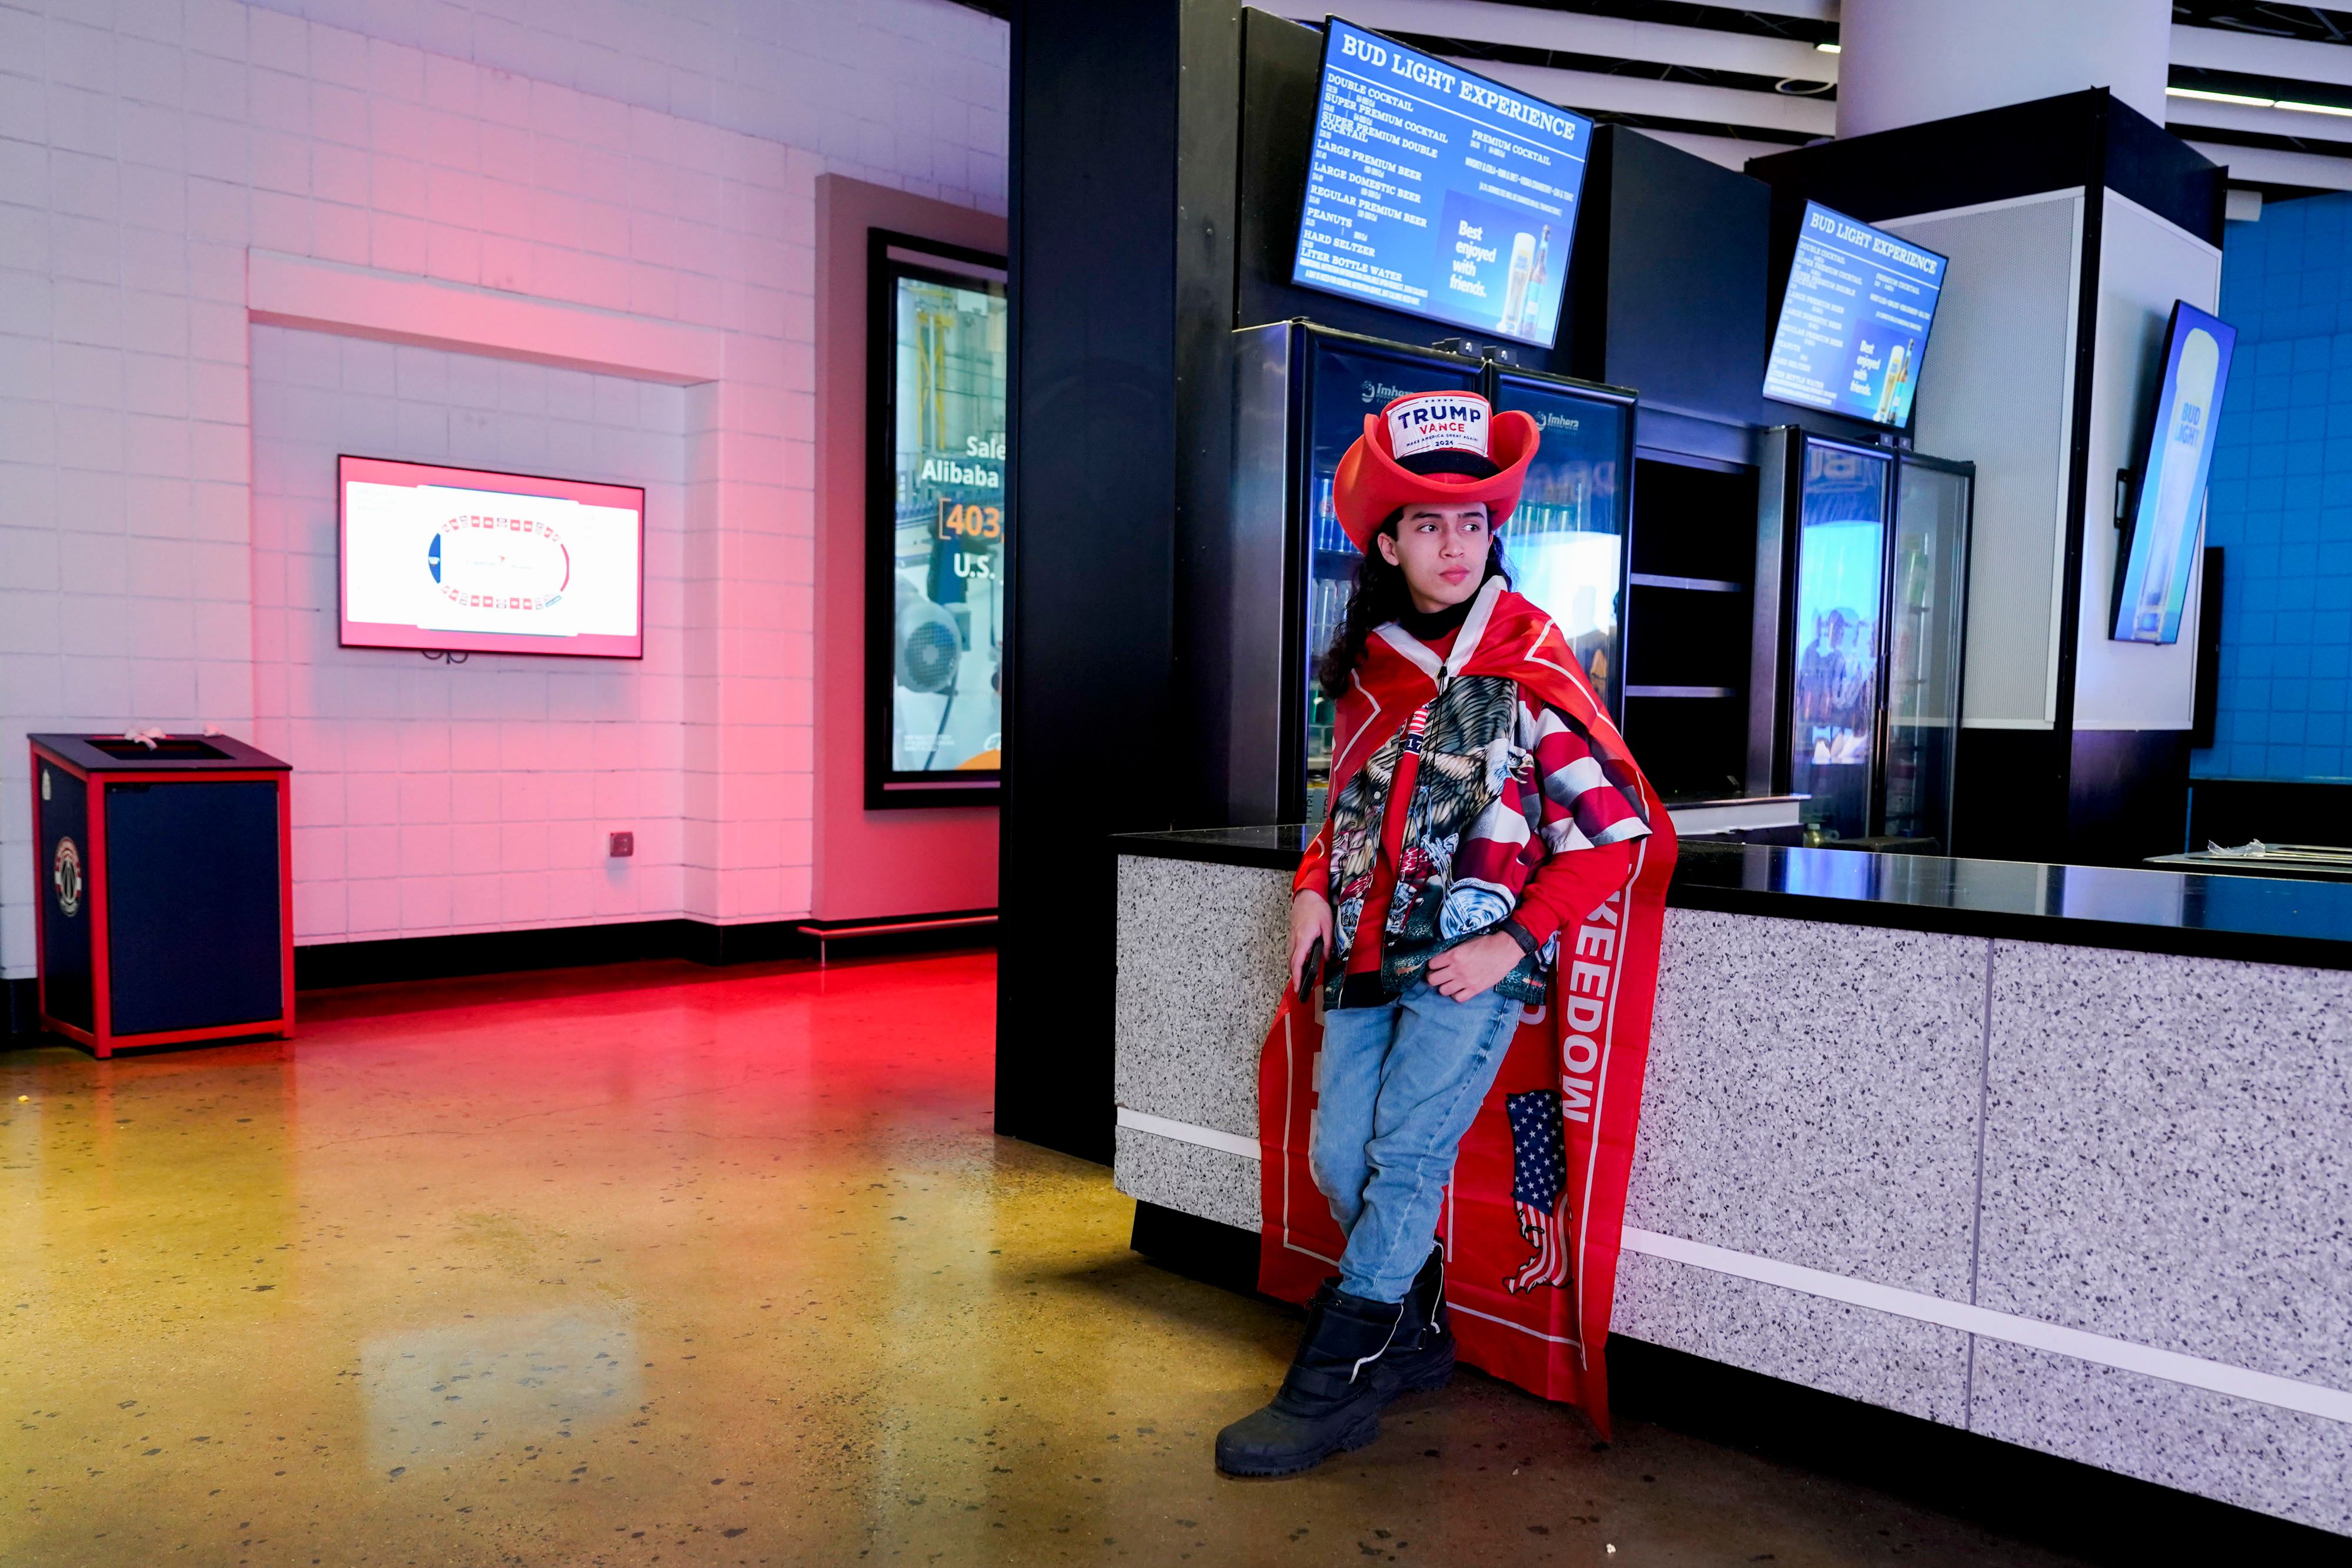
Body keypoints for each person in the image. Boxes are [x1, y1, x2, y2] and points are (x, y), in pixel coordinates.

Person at [1216, 392, 1656, 1478]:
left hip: (1471, 969)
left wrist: (1516, 944)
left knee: (1408, 1154)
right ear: (1386, 541)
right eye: (1426, 524)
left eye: (1471, 524)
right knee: (1336, 1155)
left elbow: (1616, 836)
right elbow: (1345, 814)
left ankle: (1339, 1375)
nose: (1453, 546)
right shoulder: (1370, 668)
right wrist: (1311, 889)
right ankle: (1415, 1330)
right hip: (1364, 956)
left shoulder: (1530, 661)